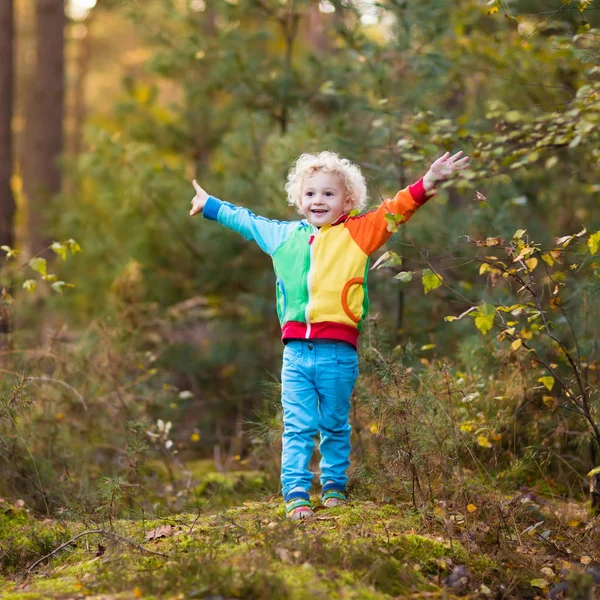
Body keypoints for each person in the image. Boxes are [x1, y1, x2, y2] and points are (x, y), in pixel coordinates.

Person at [189, 150, 469, 519]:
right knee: (298, 426)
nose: (317, 201)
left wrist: (427, 183)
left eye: (328, 194)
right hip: (296, 353)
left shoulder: (358, 233)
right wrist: (210, 204)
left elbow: (394, 210)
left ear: (347, 201)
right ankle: (296, 493)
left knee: (334, 423)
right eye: (310, 194)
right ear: (299, 200)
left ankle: (334, 487)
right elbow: (248, 221)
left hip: (338, 353)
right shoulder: (283, 236)